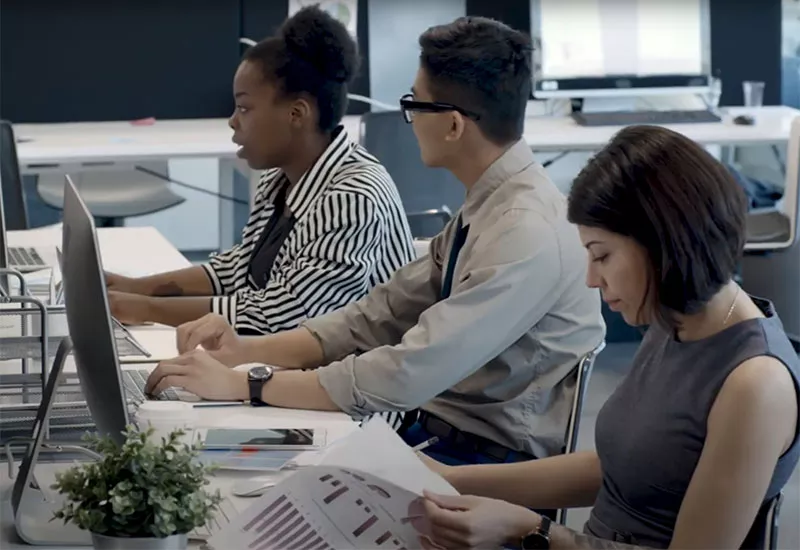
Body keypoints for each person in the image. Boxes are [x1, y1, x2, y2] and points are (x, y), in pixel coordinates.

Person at [144, 16, 604, 465]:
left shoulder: (524, 232)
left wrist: (249, 384)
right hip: (425, 436)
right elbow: (373, 317)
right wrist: (245, 352)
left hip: (476, 465)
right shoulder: (489, 205)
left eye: (414, 105)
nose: (408, 119)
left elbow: (404, 372)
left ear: (454, 125)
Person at [404, 126, 800, 550]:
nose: (593, 278)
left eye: (602, 255)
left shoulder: (756, 385)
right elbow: (618, 469)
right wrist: (452, 481)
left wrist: (530, 531)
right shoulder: (676, 322)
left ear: (660, 242)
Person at [106, 6, 414, 334]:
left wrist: (148, 309)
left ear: (297, 114)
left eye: (244, 107)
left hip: (358, 376)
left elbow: (283, 315)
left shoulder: (352, 196)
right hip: (292, 365)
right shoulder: (279, 178)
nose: (232, 121)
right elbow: (240, 270)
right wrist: (135, 288)